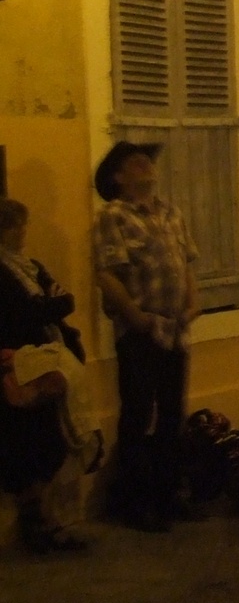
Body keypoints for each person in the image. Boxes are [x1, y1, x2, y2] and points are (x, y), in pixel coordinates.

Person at [92, 141, 198, 533]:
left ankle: (168, 496)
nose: (145, 165)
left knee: (172, 413)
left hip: (175, 329)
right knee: (138, 415)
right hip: (140, 330)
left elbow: (185, 263)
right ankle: (135, 503)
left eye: (147, 160)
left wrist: (194, 302)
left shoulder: (171, 213)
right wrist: (134, 316)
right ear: (118, 177)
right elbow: (107, 273)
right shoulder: (113, 216)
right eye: (135, 162)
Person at [0, 199, 87, 555]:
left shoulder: (31, 267)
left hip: (49, 363)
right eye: (13, 226)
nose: (22, 232)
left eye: (23, 224)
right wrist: (51, 305)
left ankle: (52, 521)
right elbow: (20, 315)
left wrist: (51, 305)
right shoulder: (5, 273)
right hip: (21, 367)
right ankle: (36, 524)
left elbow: (66, 299)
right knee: (28, 446)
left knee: (53, 441)